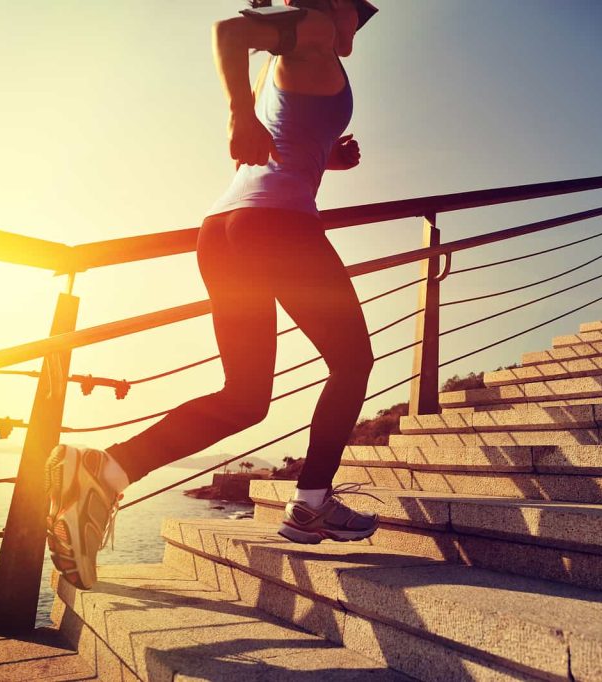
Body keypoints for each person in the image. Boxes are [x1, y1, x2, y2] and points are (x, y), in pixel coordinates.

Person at [44, 0, 383, 591]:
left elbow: (287, 142)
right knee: (353, 361)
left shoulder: (306, 51)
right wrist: (238, 115)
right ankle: (310, 504)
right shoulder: (317, 28)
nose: (361, 22)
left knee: (246, 397)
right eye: (360, 9)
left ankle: (109, 468)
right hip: (279, 229)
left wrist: (332, 157)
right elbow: (228, 30)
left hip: (224, 232)